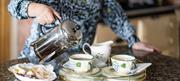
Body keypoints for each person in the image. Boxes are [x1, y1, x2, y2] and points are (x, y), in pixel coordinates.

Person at [8, 0, 159, 61]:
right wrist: (37, 8)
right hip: (38, 60)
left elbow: (113, 13)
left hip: (78, 65)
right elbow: (14, 6)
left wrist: (133, 41)